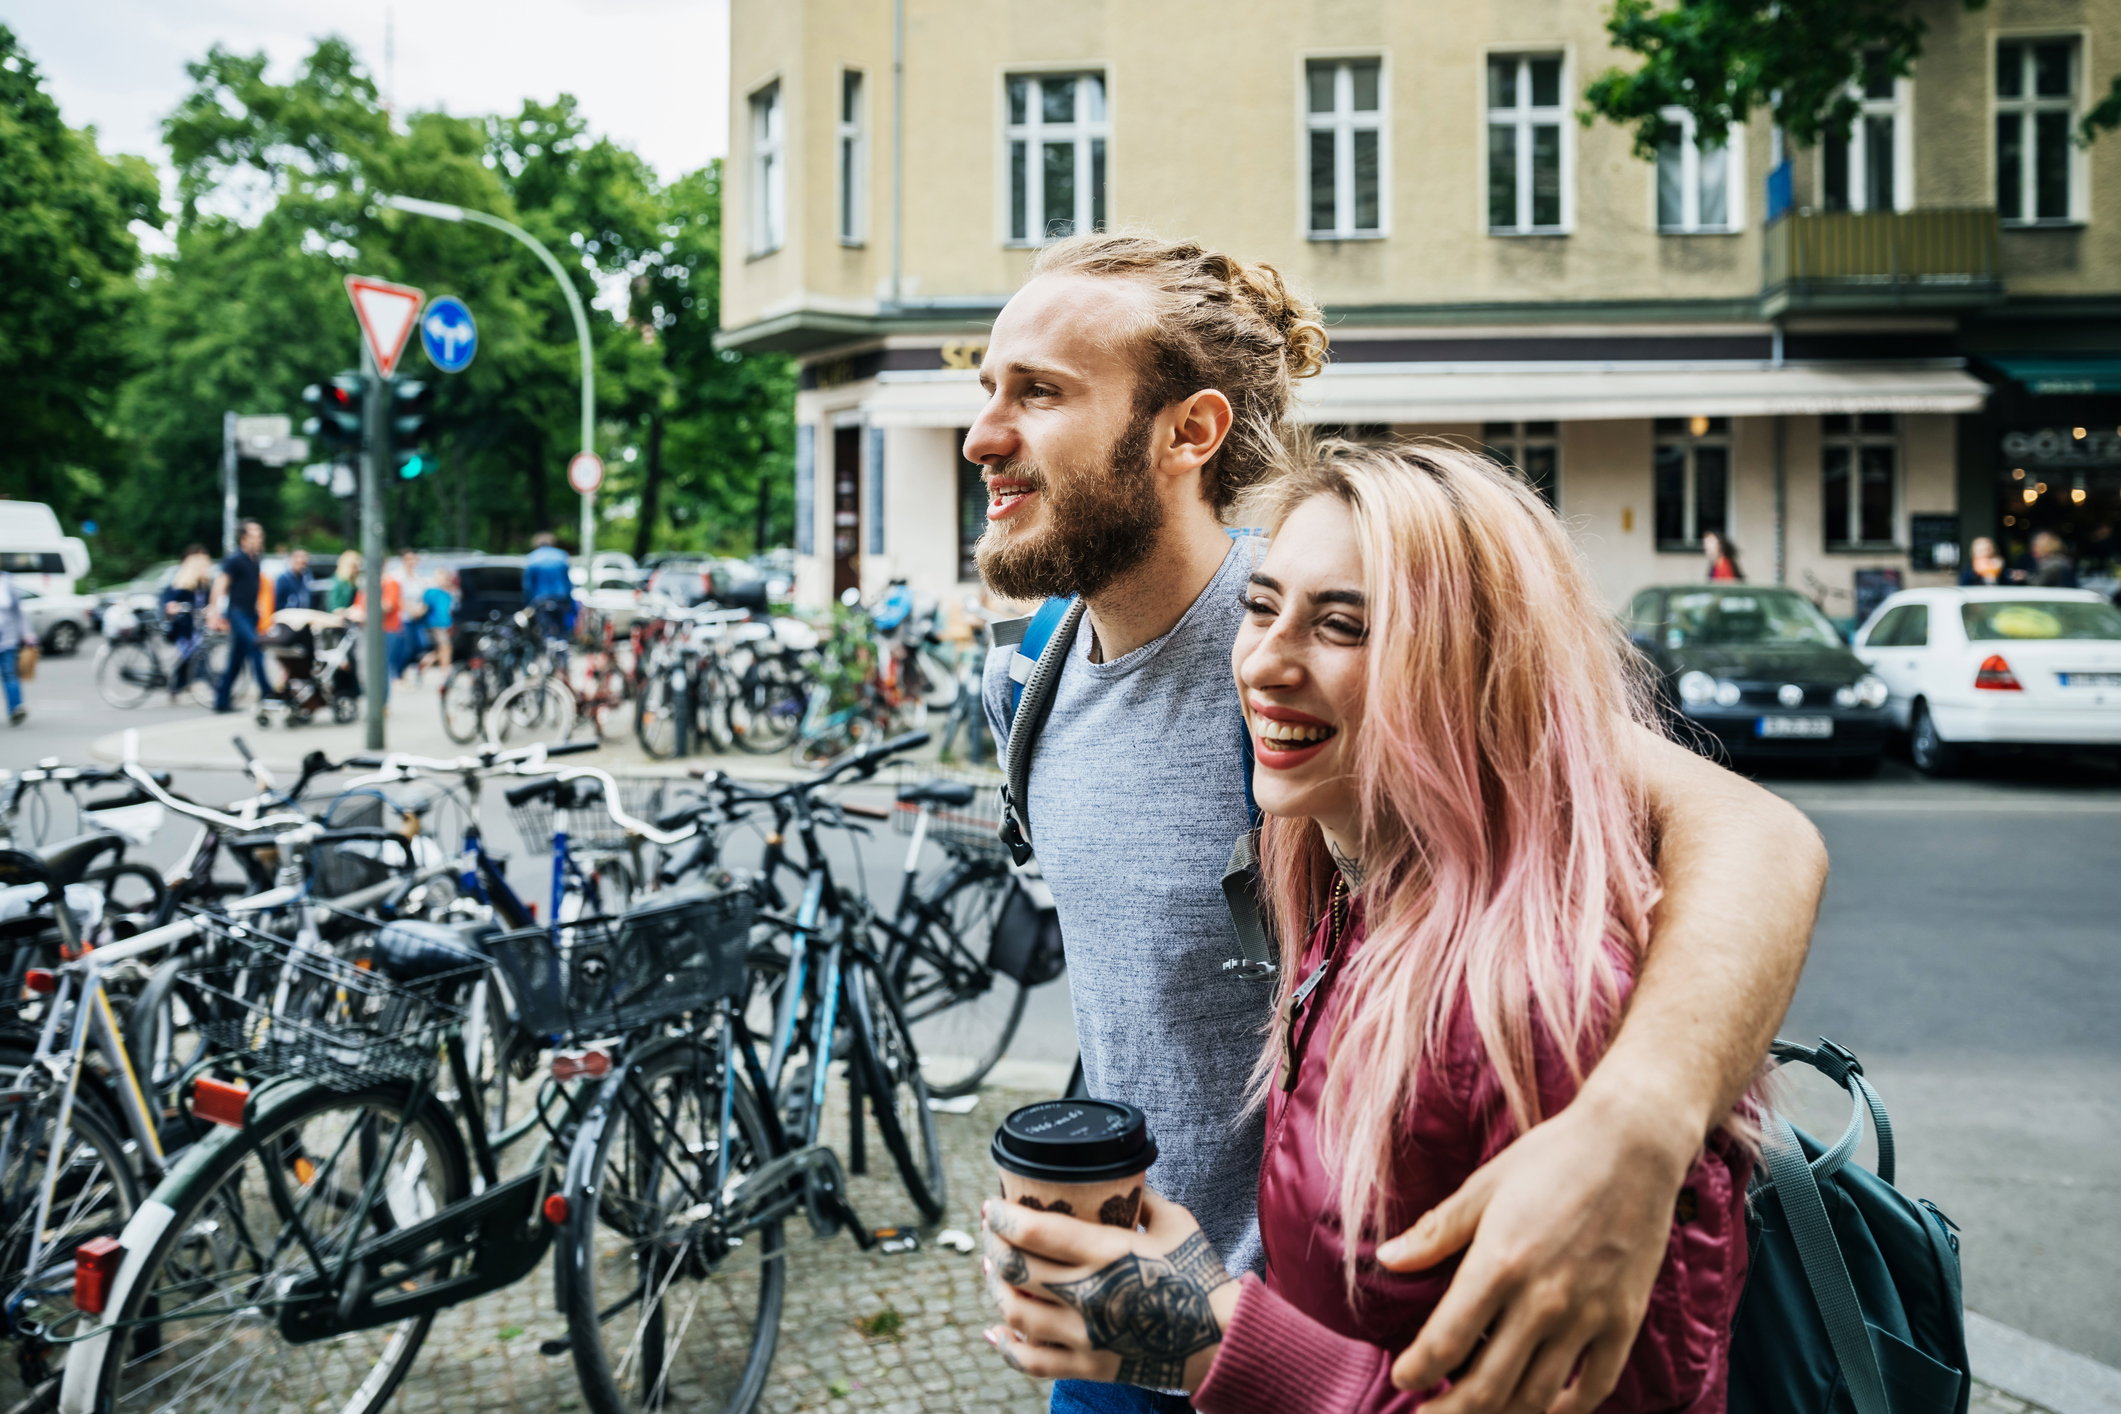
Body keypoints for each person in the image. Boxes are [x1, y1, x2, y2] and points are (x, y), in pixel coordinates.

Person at [971, 233, 1823, 1414]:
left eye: (1040, 392)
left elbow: (1753, 831)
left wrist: (1639, 1122)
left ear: (1189, 432)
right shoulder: (1035, 673)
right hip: (1138, 1311)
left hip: (1307, 1330)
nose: (983, 434)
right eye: (988, 389)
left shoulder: (1346, 621)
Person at [210, 520, 273, 713]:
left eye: (260, 535)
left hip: (250, 613)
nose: (259, 539)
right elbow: (220, 584)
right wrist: (214, 612)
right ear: (244, 538)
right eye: (255, 535)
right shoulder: (235, 559)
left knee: (235, 661)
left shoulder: (255, 560)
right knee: (256, 647)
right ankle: (268, 694)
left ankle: (221, 702)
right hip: (237, 613)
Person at [161, 546, 214, 700]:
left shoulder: (204, 585)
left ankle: (178, 687)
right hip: (184, 629)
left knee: (191, 658)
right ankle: (203, 684)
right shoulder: (182, 585)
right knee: (193, 656)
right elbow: (168, 603)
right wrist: (173, 608)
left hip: (197, 628)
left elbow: (206, 603)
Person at [523, 531, 576, 641]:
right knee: (562, 629)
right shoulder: (562, 555)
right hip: (561, 598)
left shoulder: (532, 558)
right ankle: (562, 648)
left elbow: (528, 585)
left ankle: (548, 644)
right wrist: (570, 602)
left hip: (541, 600)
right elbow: (567, 582)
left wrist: (528, 604)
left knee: (545, 629)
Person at [0, 567, 36, 725]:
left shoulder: (7, 582)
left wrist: (28, 634)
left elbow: (18, 612)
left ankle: (16, 708)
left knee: (10, 674)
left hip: (7, 639)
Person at [420, 568, 458, 670]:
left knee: (442, 648)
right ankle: (445, 668)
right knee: (445, 646)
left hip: (447, 624)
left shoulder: (448, 593)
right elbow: (424, 608)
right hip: (436, 624)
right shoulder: (432, 592)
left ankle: (427, 660)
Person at [274, 548, 314, 612]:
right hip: (287, 616)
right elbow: (276, 602)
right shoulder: (284, 579)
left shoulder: (305, 578)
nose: (303, 566)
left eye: (304, 563)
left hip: (302, 615)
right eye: (301, 563)